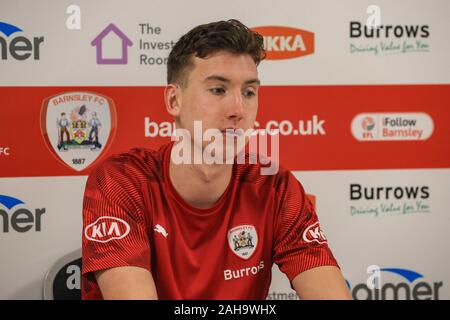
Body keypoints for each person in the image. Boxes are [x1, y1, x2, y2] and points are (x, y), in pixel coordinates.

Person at [81, 19, 351, 300]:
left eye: (248, 92)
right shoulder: (122, 180)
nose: (237, 109)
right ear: (174, 100)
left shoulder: (275, 187)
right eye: (218, 90)